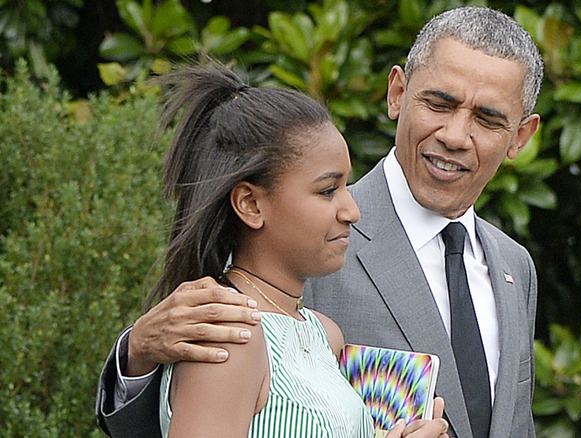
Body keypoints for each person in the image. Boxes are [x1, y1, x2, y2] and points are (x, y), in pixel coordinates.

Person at [97, 6, 543, 438]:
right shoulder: (298, 240)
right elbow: (194, 386)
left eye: (486, 119)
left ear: (519, 137)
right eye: (440, 104)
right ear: (397, 93)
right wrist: (135, 354)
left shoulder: (514, 268)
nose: (454, 135)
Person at [99, 61, 449, 438]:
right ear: (250, 204)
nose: (352, 211)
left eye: (346, 186)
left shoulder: (323, 334)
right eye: (327, 190)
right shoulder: (230, 337)